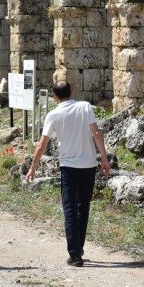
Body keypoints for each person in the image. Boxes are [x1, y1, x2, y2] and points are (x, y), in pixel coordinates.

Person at [26, 80, 111, 267]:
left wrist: (33, 167)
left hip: (69, 167)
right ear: (71, 92)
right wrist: (104, 158)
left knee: (70, 209)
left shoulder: (53, 114)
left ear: (54, 96)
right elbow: (96, 134)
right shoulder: (85, 106)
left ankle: (74, 254)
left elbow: (41, 145)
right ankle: (78, 247)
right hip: (88, 165)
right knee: (83, 207)